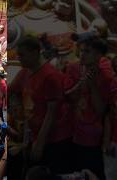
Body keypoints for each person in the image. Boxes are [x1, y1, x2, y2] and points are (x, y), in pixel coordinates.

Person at [17, 36, 73, 174]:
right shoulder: (26, 72)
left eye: (22, 55)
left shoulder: (50, 76)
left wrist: (39, 144)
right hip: (37, 136)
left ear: (35, 52)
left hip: (56, 139)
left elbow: (51, 113)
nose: (19, 58)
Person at [64, 36, 116, 180]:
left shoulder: (106, 77)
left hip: (93, 139)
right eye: (81, 51)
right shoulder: (73, 68)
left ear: (99, 55)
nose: (82, 55)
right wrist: (82, 83)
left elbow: (101, 111)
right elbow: (68, 97)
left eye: (87, 51)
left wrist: (92, 85)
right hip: (70, 133)